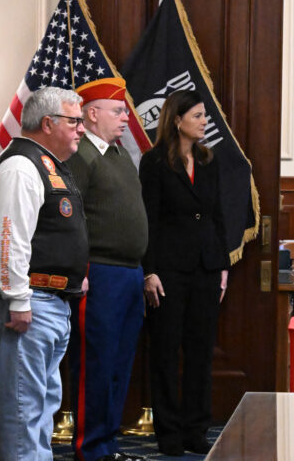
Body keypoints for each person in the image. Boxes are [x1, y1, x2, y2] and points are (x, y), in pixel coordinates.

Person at [0, 87, 88, 460]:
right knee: (24, 407)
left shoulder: (47, 164)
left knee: (42, 403)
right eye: (74, 121)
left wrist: (74, 276)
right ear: (47, 123)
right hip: (29, 305)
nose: (81, 129)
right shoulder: (22, 166)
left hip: (50, 302)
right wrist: (18, 300)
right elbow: (10, 239)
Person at [140, 90, 229, 456]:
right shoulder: (155, 162)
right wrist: (150, 271)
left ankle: (196, 428)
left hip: (207, 270)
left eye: (204, 115)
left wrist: (222, 265)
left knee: (200, 352)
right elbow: (149, 219)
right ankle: (169, 432)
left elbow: (218, 215)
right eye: (197, 115)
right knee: (164, 352)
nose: (204, 121)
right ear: (177, 120)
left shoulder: (208, 161)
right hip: (169, 272)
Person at [65, 77, 148, 461]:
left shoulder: (118, 156)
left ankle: (109, 444)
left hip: (130, 272)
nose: (126, 118)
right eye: (118, 111)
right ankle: (90, 448)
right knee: (96, 363)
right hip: (99, 273)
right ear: (91, 113)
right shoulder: (80, 156)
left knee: (119, 363)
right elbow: (72, 218)